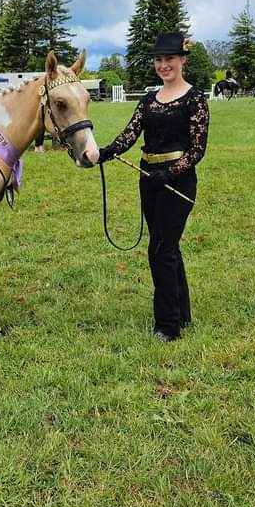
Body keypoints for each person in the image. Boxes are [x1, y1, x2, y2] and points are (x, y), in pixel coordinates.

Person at [88, 31, 209, 342]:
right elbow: (130, 135)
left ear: (182, 60)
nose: (163, 64)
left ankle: (167, 326)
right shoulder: (148, 101)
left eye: (169, 58)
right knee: (165, 246)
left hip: (178, 183)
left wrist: (169, 173)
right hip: (148, 180)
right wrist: (104, 153)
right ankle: (181, 315)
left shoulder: (195, 99)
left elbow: (197, 150)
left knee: (161, 251)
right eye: (158, 59)